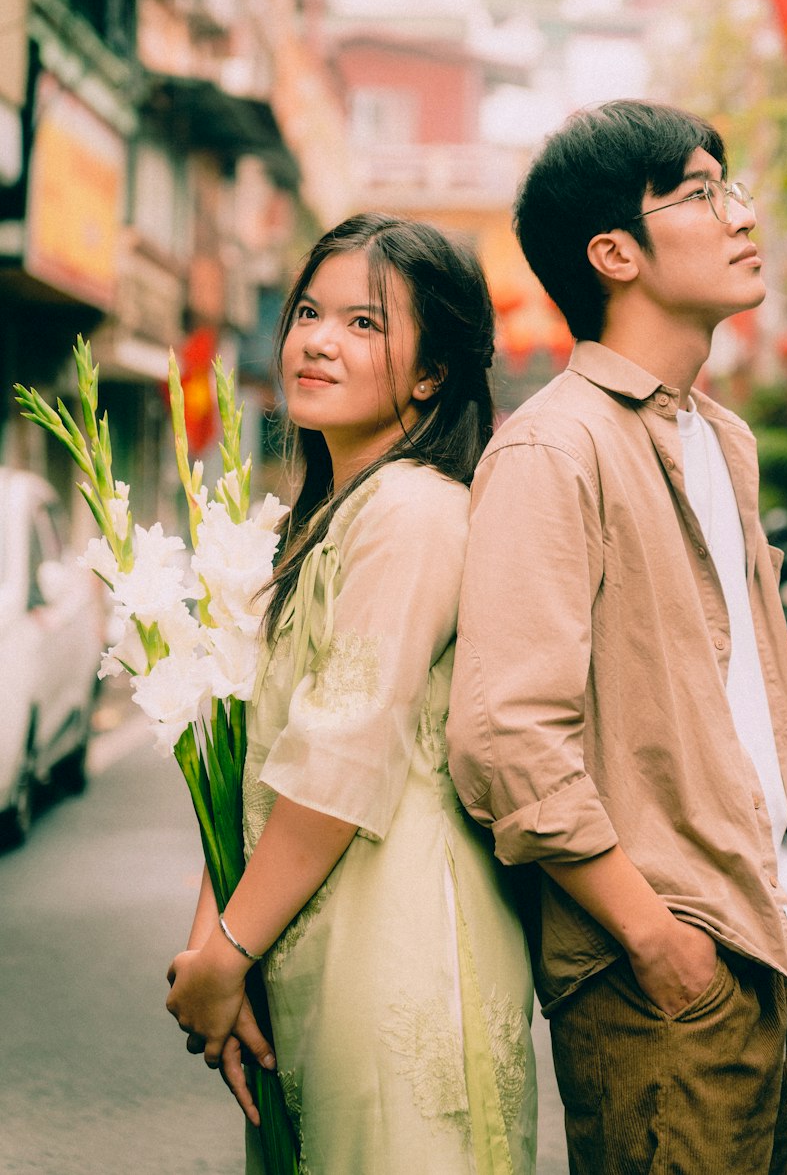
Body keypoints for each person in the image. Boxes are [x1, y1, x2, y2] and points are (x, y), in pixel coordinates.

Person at [448, 101, 787, 1175]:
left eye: (732, 185)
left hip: (776, 943)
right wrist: (656, 938)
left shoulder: (721, 438)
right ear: (613, 252)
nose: (742, 214)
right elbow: (505, 737)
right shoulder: (554, 448)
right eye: (701, 192)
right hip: (663, 973)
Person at [166, 214, 537, 1175]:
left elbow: (338, 757)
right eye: (307, 312)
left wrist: (226, 948)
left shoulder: (412, 512)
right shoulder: (331, 519)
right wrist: (216, 945)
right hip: (312, 947)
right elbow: (259, 752)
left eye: (365, 322)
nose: (317, 339)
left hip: (397, 951)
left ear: (433, 373)